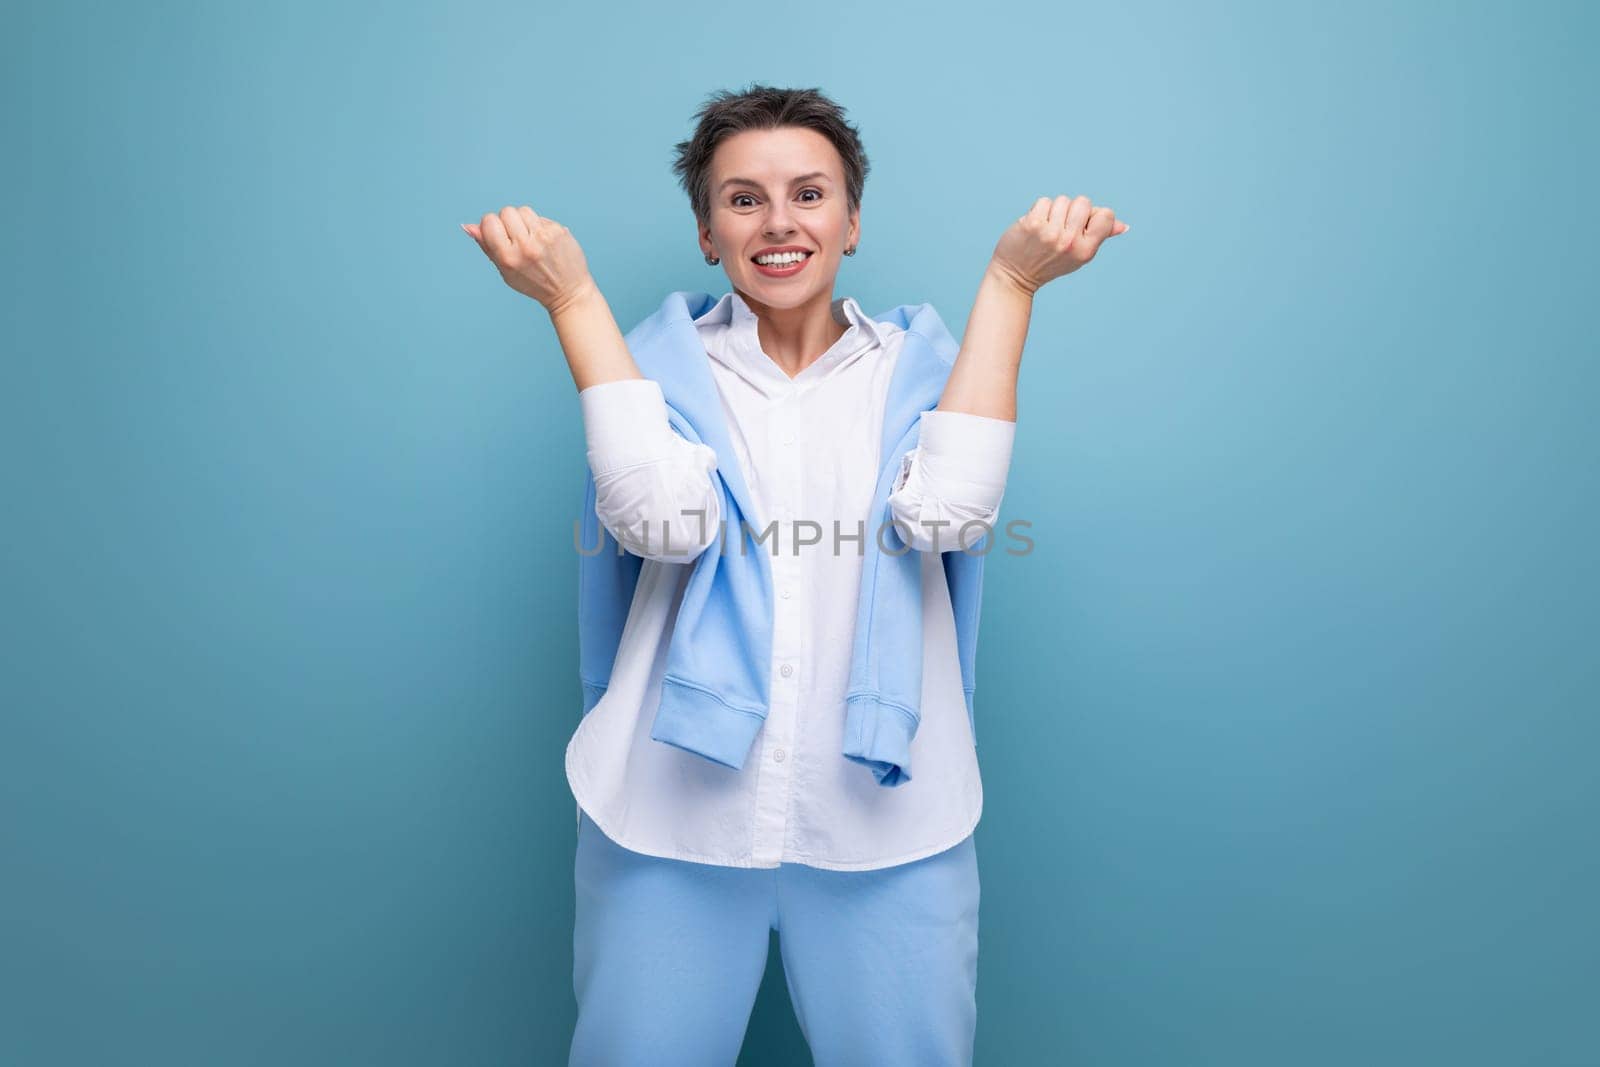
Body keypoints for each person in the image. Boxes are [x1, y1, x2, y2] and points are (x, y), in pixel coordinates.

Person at [464, 83, 1126, 1067]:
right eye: (743, 199)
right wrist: (574, 302)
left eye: (809, 193)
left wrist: (1009, 285)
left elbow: (948, 513)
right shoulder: (648, 370)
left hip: (888, 820)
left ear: (851, 221)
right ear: (706, 231)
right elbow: (663, 520)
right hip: (666, 814)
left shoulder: (925, 368)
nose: (778, 221)